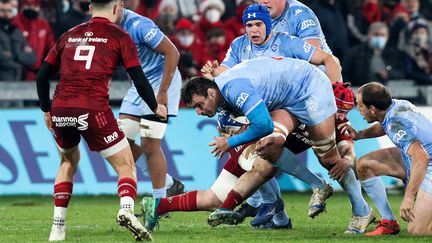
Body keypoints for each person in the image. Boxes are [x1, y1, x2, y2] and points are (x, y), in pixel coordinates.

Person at [35, 0, 167, 240]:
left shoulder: (68, 35)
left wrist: (47, 110)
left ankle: (57, 227)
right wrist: (155, 106)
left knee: (67, 161)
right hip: (92, 108)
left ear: (90, 9)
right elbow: (138, 78)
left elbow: (42, 76)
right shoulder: (119, 35)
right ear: (117, 7)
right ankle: (126, 210)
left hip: (61, 107)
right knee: (125, 164)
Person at [200, 3, 340, 225]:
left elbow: (327, 60)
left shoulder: (286, 41)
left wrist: (337, 93)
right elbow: (228, 76)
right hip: (275, 109)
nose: (253, 30)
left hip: (305, 100)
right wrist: (215, 75)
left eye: (258, 24)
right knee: (265, 147)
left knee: (331, 158)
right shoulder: (239, 46)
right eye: (249, 25)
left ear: (267, 25)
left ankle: (359, 207)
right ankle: (270, 204)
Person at [181, 56, 360, 226]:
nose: (198, 112)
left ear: (211, 93)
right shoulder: (224, 89)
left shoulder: (233, 89)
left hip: (309, 90)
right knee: (267, 147)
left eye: (199, 105)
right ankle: (314, 186)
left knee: (328, 160)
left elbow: (264, 125)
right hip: (288, 101)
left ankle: (361, 211)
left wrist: (230, 142)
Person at [141, 109, 297, 231]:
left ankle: (275, 216)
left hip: (266, 130)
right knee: (216, 197)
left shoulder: (240, 88)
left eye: (199, 105)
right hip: (248, 140)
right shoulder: (229, 92)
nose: (198, 112)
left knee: (261, 169)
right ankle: (158, 205)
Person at [340, 82, 432, 236]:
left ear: (372, 109)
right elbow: (384, 125)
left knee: (418, 230)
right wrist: (359, 135)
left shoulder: (396, 122)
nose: (359, 109)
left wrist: (408, 198)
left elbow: (421, 157)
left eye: (360, 105)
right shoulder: (397, 106)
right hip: (415, 157)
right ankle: (389, 223)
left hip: (426, 164)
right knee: (365, 165)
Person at [117, 5, 184, 202]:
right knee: (120, 142)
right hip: (139, 84)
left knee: (149, 143)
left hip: (161, 82)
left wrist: (162, 92)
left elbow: (173, 53)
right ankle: (170, 184)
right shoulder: (103, 26)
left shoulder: (139, 25)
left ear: (119, 5)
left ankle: (159, 203)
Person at [257, 0, 332, 52]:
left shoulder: (300, 14)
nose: (265, 1)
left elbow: (314, 62)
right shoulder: (255, 15)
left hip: (316, 72)